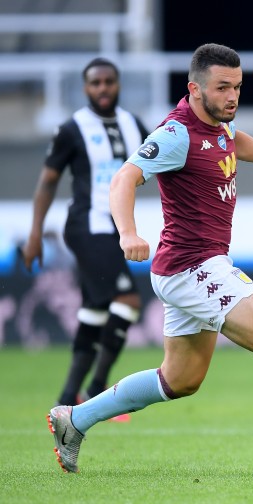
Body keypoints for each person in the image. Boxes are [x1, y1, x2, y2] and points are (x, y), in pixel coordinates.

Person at [46, 43, 253, 476]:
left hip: (190, 267)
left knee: (179, 380)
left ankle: (73, 420)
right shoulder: (175, 134)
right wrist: (129, 233)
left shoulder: (216, 121)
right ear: (194, 88)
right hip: (192, 266)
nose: (232, 96)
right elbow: (124, 178)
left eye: (238, 87)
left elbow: (233, 140)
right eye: (223, 87)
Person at [24, 58, 150, 420]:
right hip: (85, 226)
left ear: (118, 84)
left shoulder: (133, 125)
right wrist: (35, 235)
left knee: (95, 307)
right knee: (127, 299)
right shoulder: (71, 129)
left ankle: (68, 396)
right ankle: (97, 393)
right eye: (96, 83)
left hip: (115, 229)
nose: (103, 88)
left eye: (109, 81)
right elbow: (48, 181)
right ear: (85, 88)